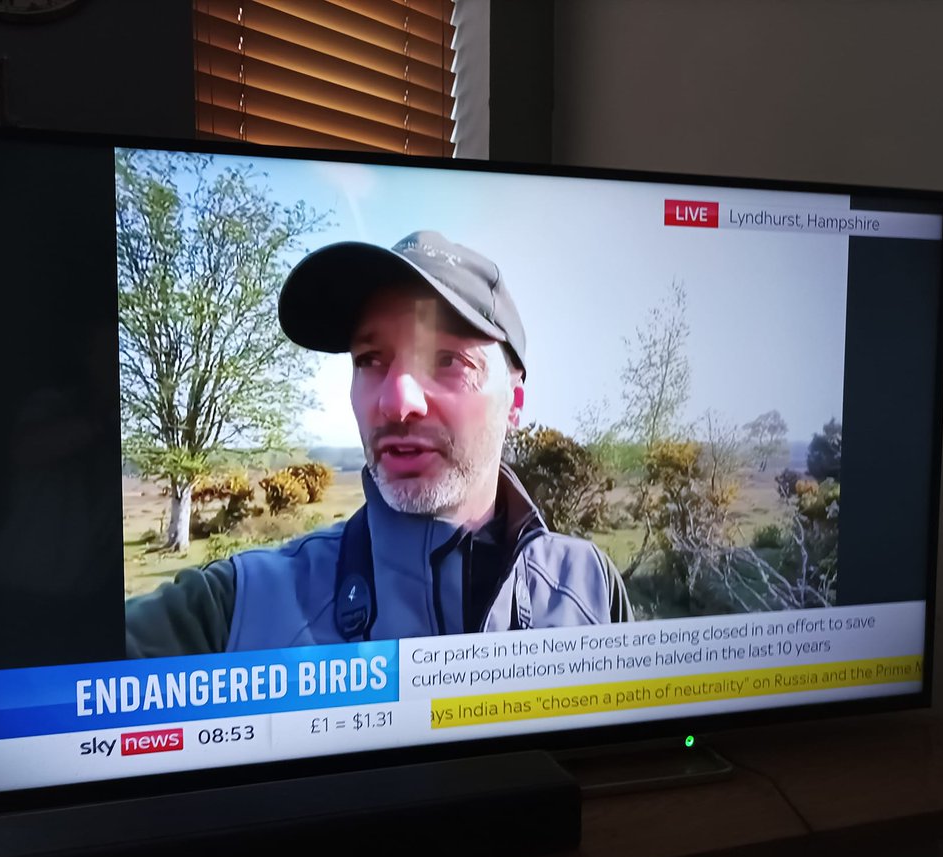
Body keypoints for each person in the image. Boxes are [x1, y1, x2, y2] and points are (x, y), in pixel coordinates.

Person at [126, 231, 631, 657]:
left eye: (447, 361)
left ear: (514, 403)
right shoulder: (232, 611)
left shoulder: (591, 588)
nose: (395, 401)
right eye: (370, 359)